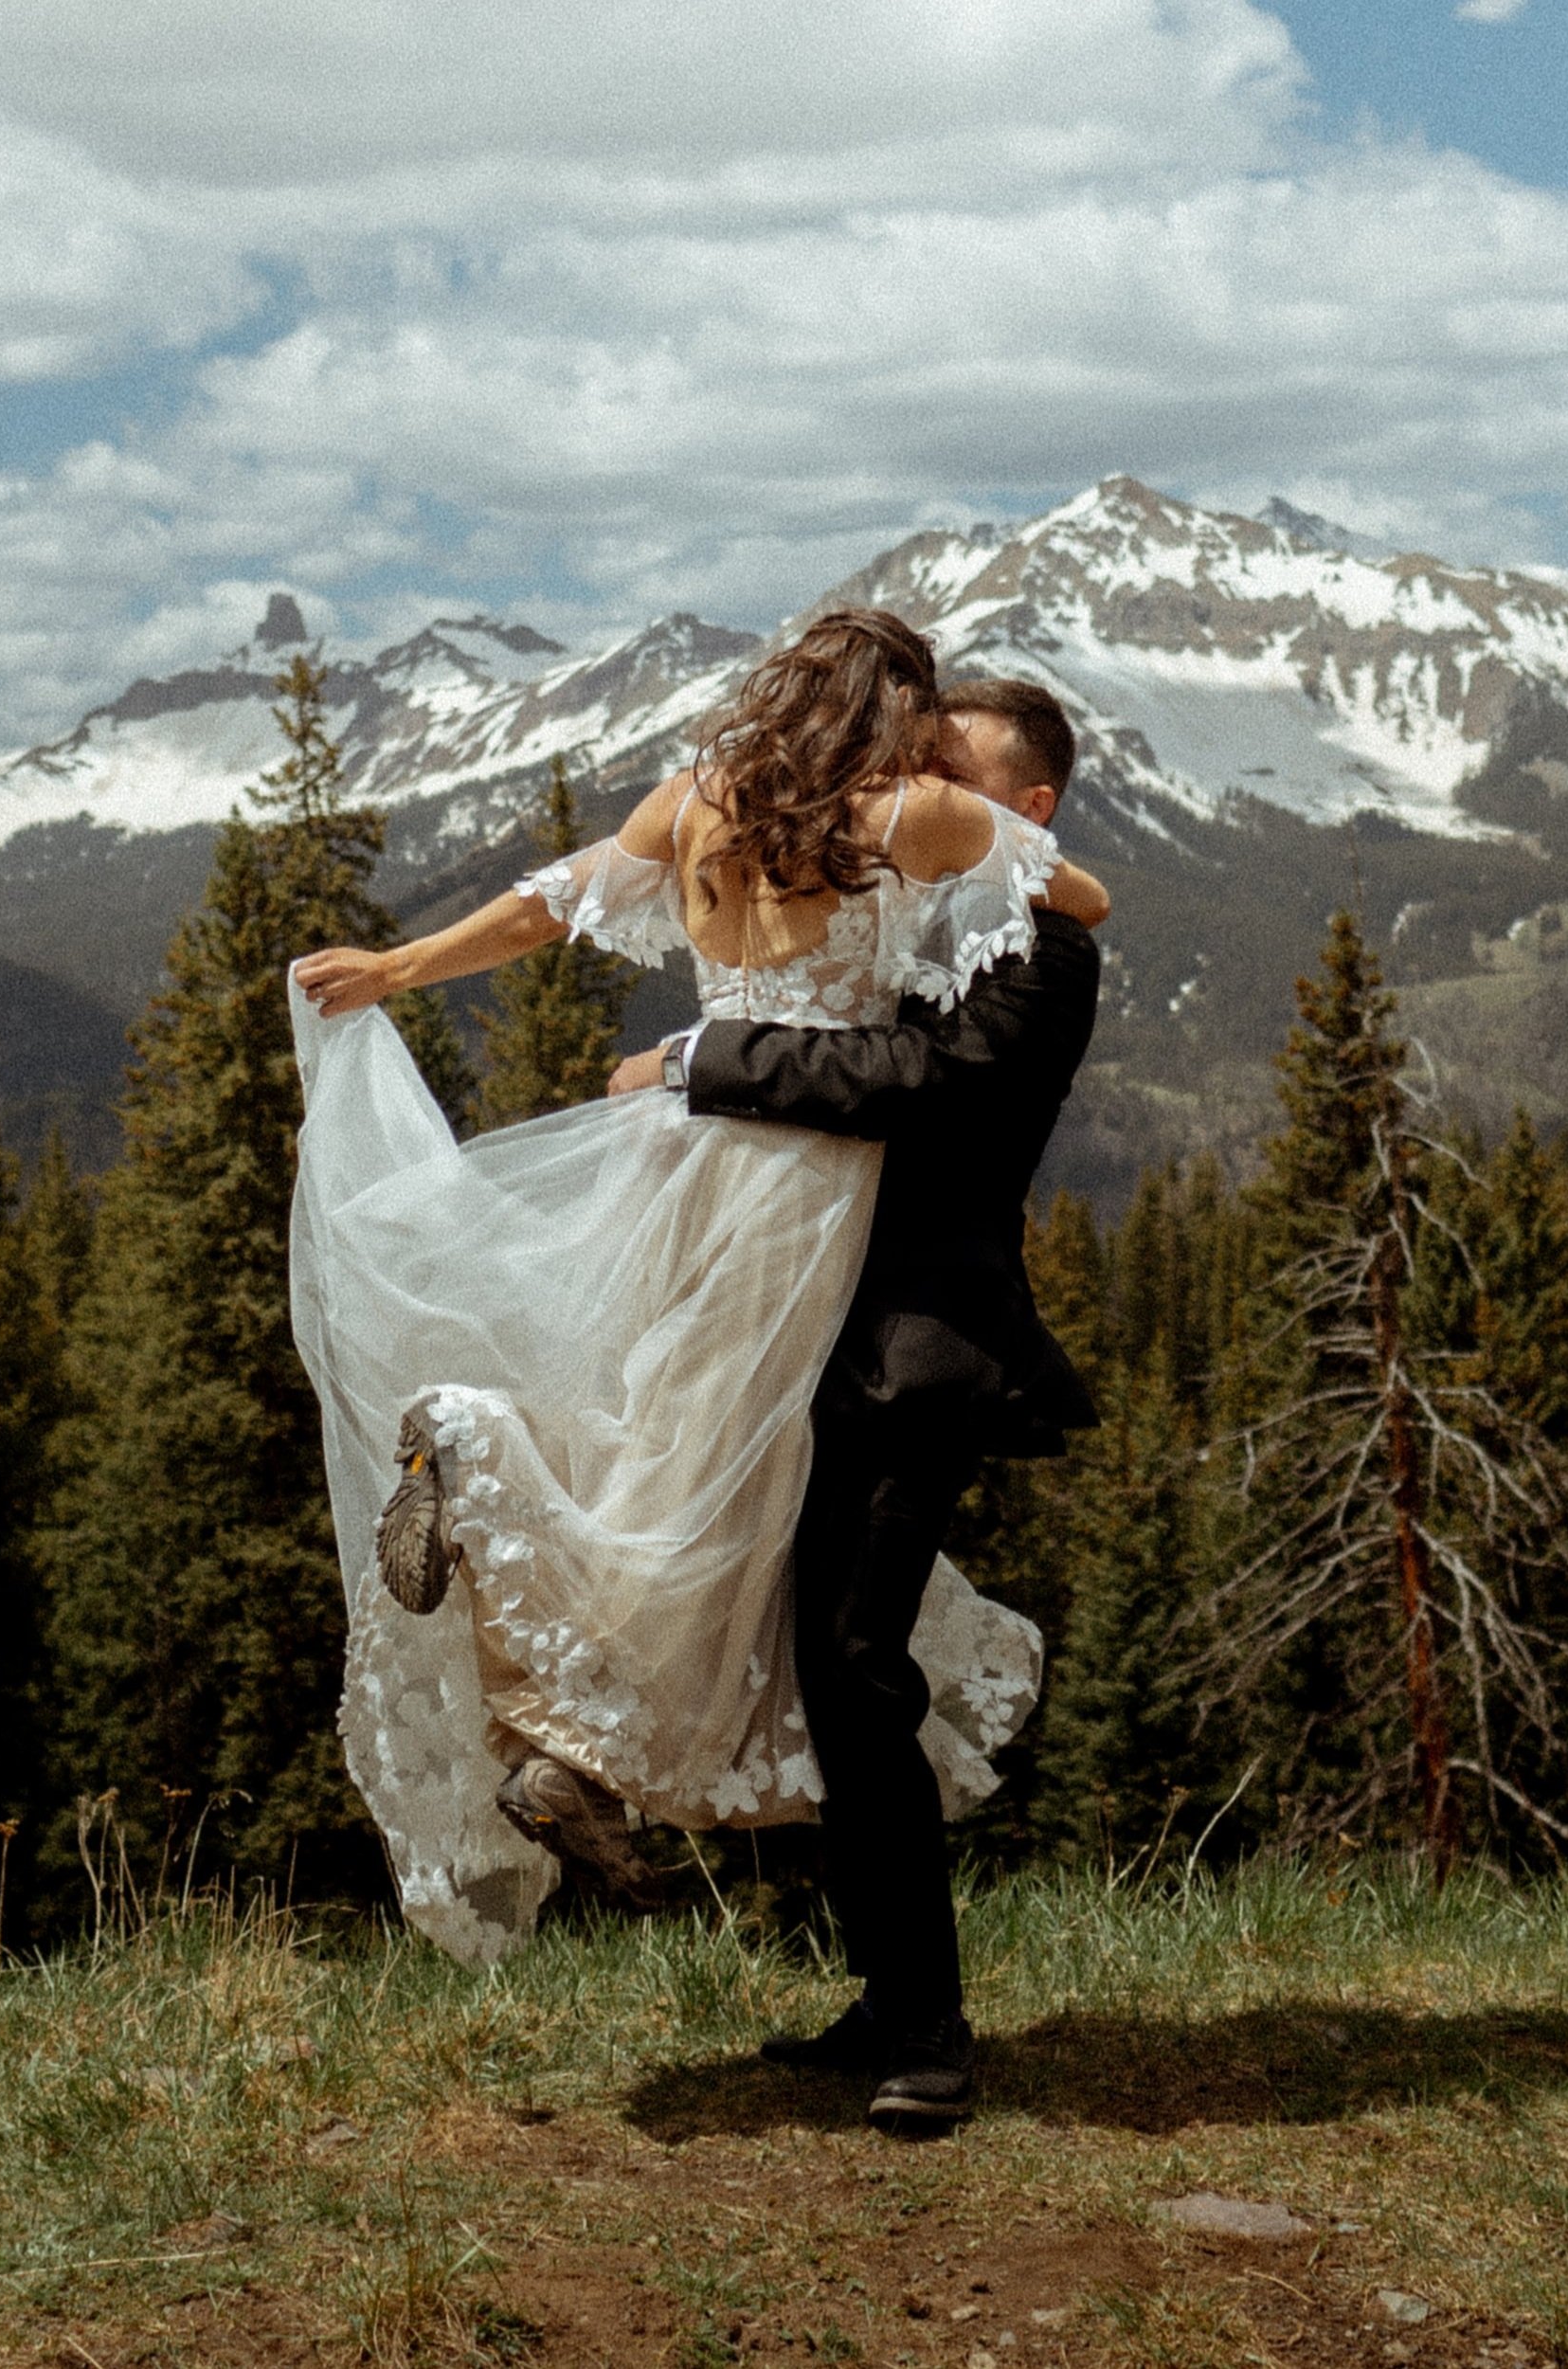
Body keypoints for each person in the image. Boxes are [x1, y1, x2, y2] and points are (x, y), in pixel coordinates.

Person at [287, 611, 1109, 1970]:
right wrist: (988, 846)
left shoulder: (701, 799)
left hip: (671, 1169)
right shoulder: (911, 817)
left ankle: (547, 1661)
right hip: (799, 1191)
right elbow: (1081, 901)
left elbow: (551, 900)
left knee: (656, 1429)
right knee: (717, 1484)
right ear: (893, 715)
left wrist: (398, 969)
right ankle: (489, 1487)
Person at [608, 676, 1099, 2131]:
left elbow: (924, 1083)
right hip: (794, 1324)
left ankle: (930, 2032)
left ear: (1031, 809)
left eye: (954, 772)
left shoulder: (1047, 950)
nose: (913, 796)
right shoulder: (900, 915)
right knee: (809, 1651)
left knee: (854, 1655)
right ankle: (887, 1994)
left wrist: (702, 1058)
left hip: (917, 1345)